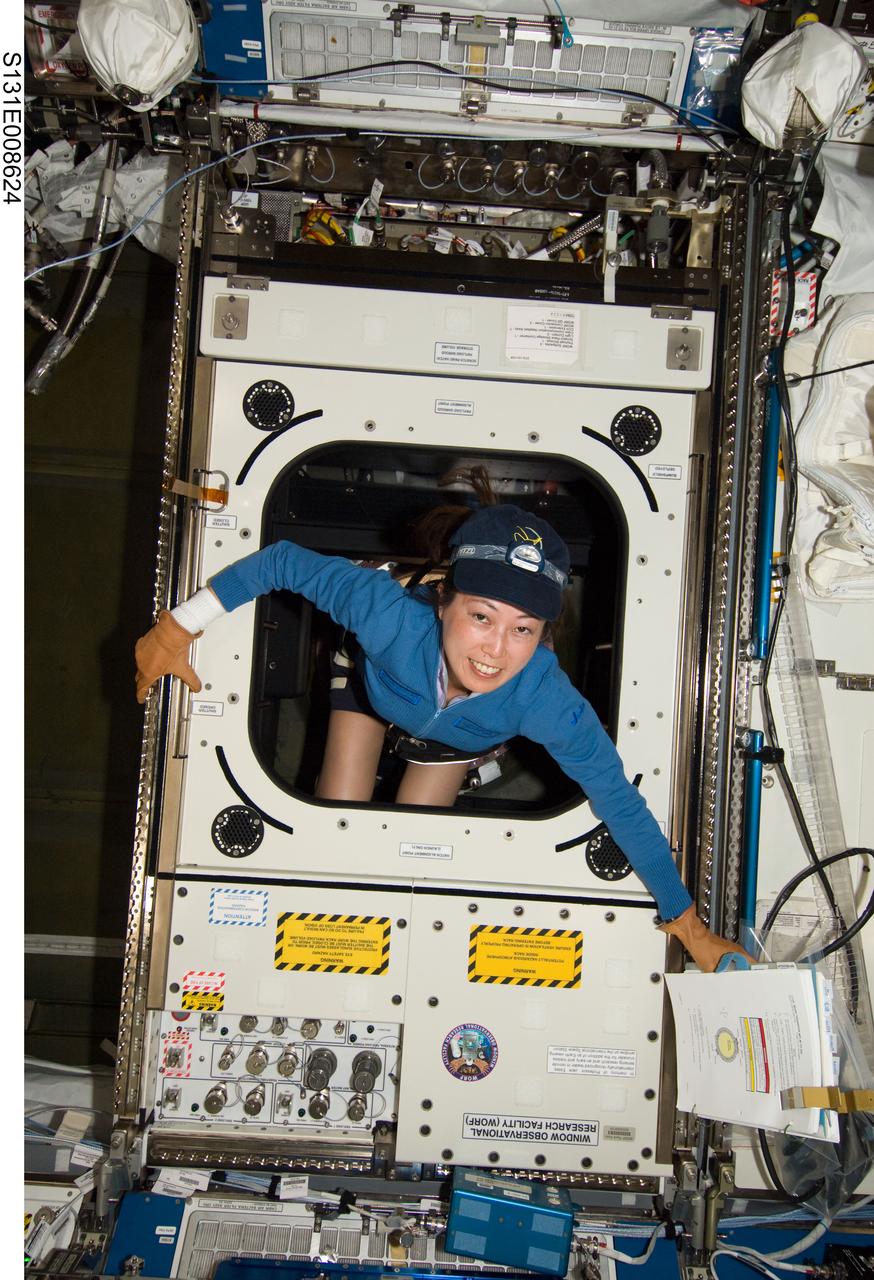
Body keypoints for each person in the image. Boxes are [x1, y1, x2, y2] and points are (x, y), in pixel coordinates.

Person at [135, 499, 750, 971]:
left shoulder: (544, 698)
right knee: (340, 812)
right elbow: (281, 562)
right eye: (481, 617)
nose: (495, 651)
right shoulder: (387, 615)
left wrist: (690, 927)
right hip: (376, 687)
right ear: (442, 599)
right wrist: (175, 630)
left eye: (522, 629)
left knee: (408, 841)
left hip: (458, 737)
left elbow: (620, 801)